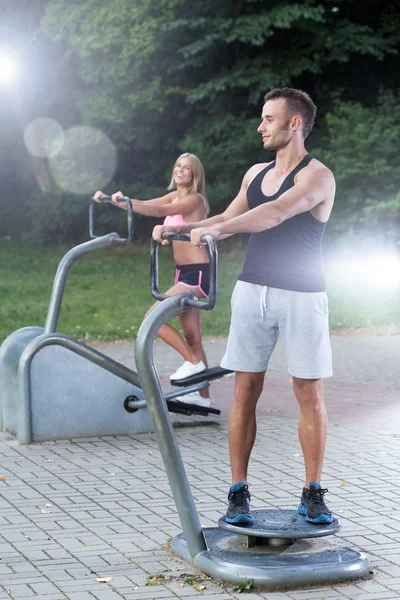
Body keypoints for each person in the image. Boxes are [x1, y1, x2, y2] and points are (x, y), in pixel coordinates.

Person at [153, 88, 336, 525]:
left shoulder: (317, 177)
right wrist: (180, 230)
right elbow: (223, 219)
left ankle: (313, 493)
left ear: (294, 124)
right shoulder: (254, 173)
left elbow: (275, 213)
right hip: (252, 290)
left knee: (308, 392)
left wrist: (216, 231)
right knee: (244, 390)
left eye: (269, 119)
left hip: (302, 294)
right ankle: (238, 493)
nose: (260, 126)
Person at [93, 152, 212, 407]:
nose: (180, 170)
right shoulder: (174, 195)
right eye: (178, 165)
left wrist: (127, 203)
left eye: (187, 168)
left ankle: (193, 363)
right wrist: (118, 201)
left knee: (153, 318)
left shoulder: (194, 200)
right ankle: (203, 398)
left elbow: (160, 210)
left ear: (195, 175)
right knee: (193, 338)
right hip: (183, 273)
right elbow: (149, 204)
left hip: (198, 274)